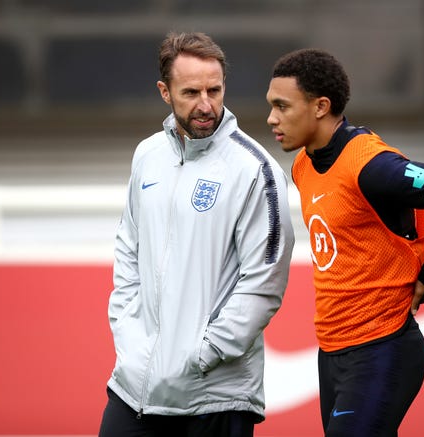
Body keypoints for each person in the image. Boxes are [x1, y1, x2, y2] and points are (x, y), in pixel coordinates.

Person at [266, 48, 424, 437]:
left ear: (321, 106)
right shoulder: (304, 164)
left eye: (282, 106)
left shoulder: (373, 167)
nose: (272, 117)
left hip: (383, 348)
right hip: (332, 353)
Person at [99, 32, 295, 437]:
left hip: (213, 396)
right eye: (191, 92)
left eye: (215, 90)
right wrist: (128, 334)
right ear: (164, 92)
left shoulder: (256, 171)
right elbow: (128, 251)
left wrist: (202, 355)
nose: (206, 104)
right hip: (134, 384)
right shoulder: (148, 155)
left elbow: (264, 282)